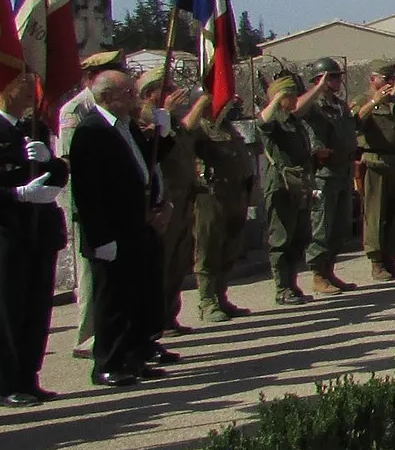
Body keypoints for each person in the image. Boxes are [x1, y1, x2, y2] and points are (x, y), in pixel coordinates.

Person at [68, 69, 171, 387]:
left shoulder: (127, 127)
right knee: (112, 301)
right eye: (128, 94)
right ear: (106, 96)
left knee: (135, 297)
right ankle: (108, 362)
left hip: (136, 225)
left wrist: (164, 135)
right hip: (111, 230)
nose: (134, 99)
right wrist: (100, 237)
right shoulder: (91, 131)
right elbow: (87, 192)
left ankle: (133, 356)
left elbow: (148, 163)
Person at [0, 77, 69, 406]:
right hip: (10, 230)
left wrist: (49, 162)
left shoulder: (36, 128)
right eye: (22, 85)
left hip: (40, 229)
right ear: (3, 89)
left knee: (37, 308)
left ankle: (29, 378)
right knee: (10, 308)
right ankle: (6, 385)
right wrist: (15, 194)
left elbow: (59, 175)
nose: (32, 92)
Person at [59, 47, 129, 357]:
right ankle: (87, 336)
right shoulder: (76, 110)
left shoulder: (118, 110)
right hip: (86, 202)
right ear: (91, 78)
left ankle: (114, 333)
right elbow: (74, 160)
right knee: (90, 273)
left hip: (115, 202)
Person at [141, 68, 206, 333]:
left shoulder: (174, 120)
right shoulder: (147, 117)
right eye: (166, 88)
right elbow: (156, 143)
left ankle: (169, 315)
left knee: (179, 262)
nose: (174, 93)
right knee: (162, 263)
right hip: (165, 200)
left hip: (183, 198)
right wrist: (165, 111)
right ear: (150, 93)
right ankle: (154, 320)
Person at [297, 58, 359, 294]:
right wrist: (316, 89)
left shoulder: (340, 106)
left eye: (337, 76)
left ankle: (330, 271)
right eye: (331, 77)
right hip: (323, 173)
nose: (337, 81)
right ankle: (318, 274)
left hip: (342, 170)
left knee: (340, 226)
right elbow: (296, 110)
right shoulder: (314, 104)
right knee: (321, 226)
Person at [193, 88, 256, 322]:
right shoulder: (199, 128)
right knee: (208, 247)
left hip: (235, 192)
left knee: (229, 247)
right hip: (211, 194)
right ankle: (207, 301)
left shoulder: (227, 127)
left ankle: (221, 296)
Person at [353, 61, 395, 281]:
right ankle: (377, 261)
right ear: (373, 80)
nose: (389, 83)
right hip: (375, 163)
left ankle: (392, 258)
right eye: (385, 79)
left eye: (392, 79)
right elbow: (354, 123)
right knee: (375, 214)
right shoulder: (364, 101)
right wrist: (374, 102)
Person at [257, 74, 315, 304]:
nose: (295, 100)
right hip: (280, 185)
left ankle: (292, 283)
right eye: (290, 96)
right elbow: (261, 123)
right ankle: (282, 288)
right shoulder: (274, 121)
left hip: (298, 185)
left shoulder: (293, 120)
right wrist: (277, 96)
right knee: (281, 238)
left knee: (299, 237)